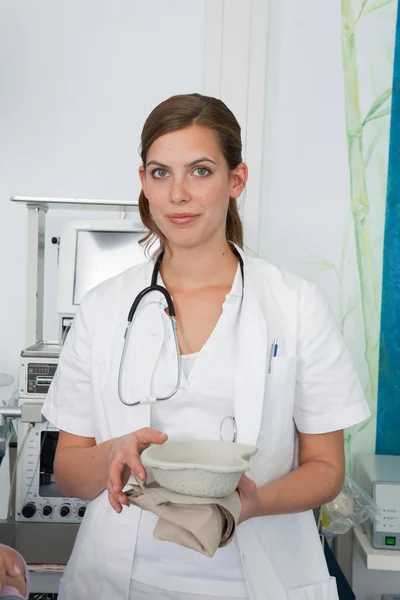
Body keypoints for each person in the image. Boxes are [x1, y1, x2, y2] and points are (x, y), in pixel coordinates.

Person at [42, 93, 370, 600]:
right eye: (160, 173)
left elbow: (326, 469)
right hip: (120, 577)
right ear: (143, 182)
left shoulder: (296, 304)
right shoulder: (103, 307)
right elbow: (68, 469)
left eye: (199, 171)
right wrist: (114, 453)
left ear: (236, 180)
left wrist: (252, 503)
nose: (177, 194)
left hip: (258, 576)